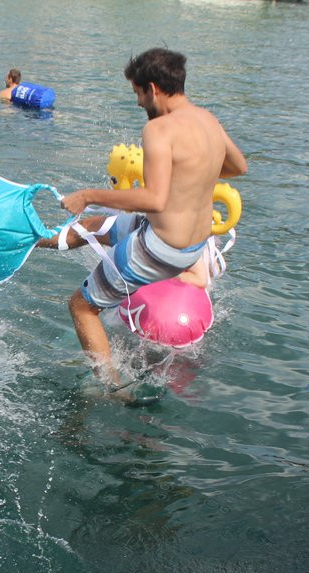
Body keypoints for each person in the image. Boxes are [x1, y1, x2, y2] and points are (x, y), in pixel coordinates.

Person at [36, 48, 247, 383]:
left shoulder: (159, 129)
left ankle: (111, 385)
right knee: (99, 227)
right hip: (192, 245)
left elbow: (153, 198)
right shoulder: (208, 120)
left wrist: (88, 195)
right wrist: (194, 171)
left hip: (162, 247)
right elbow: (239, 166)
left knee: (81, 306)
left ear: (153, 88)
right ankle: (37, 240)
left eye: (137, 94)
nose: (137, 103)